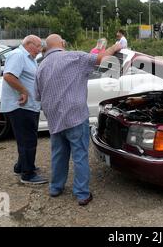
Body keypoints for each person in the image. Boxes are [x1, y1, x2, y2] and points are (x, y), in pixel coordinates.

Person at [35, 34, 121, 206]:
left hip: (54, 119)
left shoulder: (41, 66)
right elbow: (103, 59)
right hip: (75, 116)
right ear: (61, 43)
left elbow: (38, 96)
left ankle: (55, 188)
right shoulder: (74, 56)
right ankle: (82, 194)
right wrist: (115, 47)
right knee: (79, 155)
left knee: (58, 155)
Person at [0, 35, 47, 185]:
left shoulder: (28, 58)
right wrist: (24, 91)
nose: (39, 50)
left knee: (25, 138)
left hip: (28, 106)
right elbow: (8, 76)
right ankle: (28, 174)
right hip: (21, 106)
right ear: (29, 44)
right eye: (38, 46)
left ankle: (21, 166)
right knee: (28, 140)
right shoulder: (18, 55)